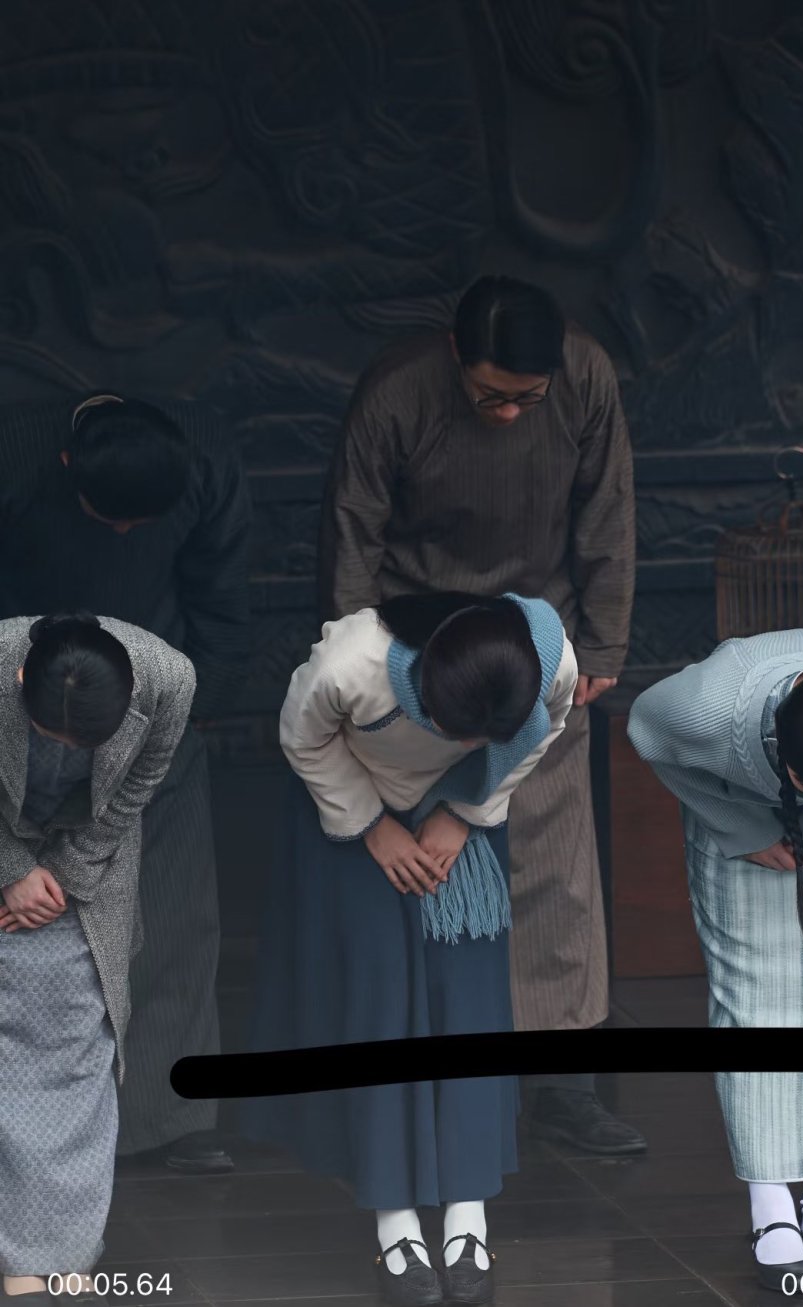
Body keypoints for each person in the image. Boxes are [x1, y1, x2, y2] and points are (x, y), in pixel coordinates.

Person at [318, 274, 643, 1156]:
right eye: (489, 396)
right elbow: (353, 531)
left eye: (525, 400)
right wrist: (357, 660)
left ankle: (565, 1080)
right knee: (421, 860)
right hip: (416, 638)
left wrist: (603, 643)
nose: (506, 414)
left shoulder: (586, 377)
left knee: (553, 862)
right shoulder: (399, 392)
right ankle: (423, 1067)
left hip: (540, 635)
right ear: (456, 353)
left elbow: (607, 508)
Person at [246, 592, 577, 1305]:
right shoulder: (351, 663)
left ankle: (468, 1216)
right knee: (379, 1009)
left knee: (471, 1010)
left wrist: (465, 812)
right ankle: (395, 1221)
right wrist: (373, 826)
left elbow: (548, 726)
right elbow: (302, 736)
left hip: (463, 820)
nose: (469, 744)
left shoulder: (550, 657)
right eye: (457, 731)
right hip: (354, 812)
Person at [0, 393, 252, 1174]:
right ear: (68, 465)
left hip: (145, 707)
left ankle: (168, 1114)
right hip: (21, 701)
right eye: (107, 518)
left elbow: (222, 590)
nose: (122, 535)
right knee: (25, 922)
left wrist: (200, 704)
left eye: (139, 524)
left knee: (170, 915)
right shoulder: (18, 454)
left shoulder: (204, 458)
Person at [626, 627, 803, 1293]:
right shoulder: (714, 703)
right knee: (753, 1012)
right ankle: (772, 1208)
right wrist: (744, 830)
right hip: (740, 825)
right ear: (778, 745)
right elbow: (645, 729)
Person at [0, 613, 195, 1301]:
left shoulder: (168, 680)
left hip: (87, 869)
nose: (65, 750)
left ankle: (60, 1252)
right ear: (20, 679)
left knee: (74, 1043)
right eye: (49, 734)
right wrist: (11, 870)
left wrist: (62, 876)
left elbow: (134, 791)